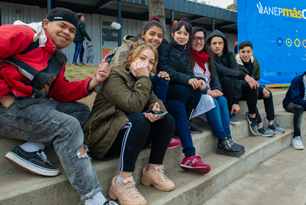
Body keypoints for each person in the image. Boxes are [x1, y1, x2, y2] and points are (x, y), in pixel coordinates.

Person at [0, 7, 116, 205]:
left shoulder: (56, 57)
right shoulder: (25, 34)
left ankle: (30, 148)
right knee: (68, 126)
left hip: (30, 105)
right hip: (7, 109)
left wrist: (93, 82)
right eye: (62, 26)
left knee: (80, 111)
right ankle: (94, 198)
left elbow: (58, 91)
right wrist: (4, 96)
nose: (67, 33)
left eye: (72, 30)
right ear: (46, 24)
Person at [107, 17, 210, 174]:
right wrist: (155, 75)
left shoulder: (170, 51)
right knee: (165, 82)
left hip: (153, 98)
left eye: (159, 36)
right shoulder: (135, 49)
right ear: (143, 34)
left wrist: (198, 81)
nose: (156, 38)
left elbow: (168, 71)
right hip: (134, 99)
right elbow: (124, 74)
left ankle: (190, 155)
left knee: (179, 104)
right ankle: (159, 126)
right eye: (152, 34)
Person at [83, 41, 175, 205]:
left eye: (151, 62)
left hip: (122, 135)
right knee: (139, 120)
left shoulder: (141, 79)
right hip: (100, 139)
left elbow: (158, 103)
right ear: (131, 57)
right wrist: (145, 78)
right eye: (142, 58)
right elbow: (133, 106)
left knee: (167, 120)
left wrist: (156, 112)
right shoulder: (115, 76)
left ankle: (152, 171)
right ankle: (121, 182)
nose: (146, 64)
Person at [188, 27, 244, 157]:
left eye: (201, 39)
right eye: (195, 39)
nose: (198, 42)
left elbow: (215, 76)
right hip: (196, 94)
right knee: (211, 100)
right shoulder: (188, 56)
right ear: (190, 40)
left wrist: (217, 89)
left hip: (208, 91)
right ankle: (221, 140)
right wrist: (208, 91)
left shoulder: (208, 57)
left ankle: (228, 137)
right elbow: (190, 79)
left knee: (222, 99)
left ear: (204, 41)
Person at [206, 30, 260, 135]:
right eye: (214, 43)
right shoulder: (209, 56)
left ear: (224, 44)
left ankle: (252, 116)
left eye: (220, 43)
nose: (217, 46)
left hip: (231, 84)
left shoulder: (230, 55)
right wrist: (244, 76)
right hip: (217, 84)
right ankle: (229, 112)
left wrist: (236, 101)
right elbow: (222, 70)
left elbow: (235, 75)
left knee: (253, 85)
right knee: (227, 79)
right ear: (209, 44)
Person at [158, 18, 204, 134]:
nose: (182, 36)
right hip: (166, 85)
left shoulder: (185, 53)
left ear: (189, 37)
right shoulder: (165, 47)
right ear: (172, 34)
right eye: (179, 33)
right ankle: (174, 124)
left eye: (186, 34)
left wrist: (199, 80)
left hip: (178, 84)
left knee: (196, 90)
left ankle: (186, 120)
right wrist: (188, 79)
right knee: (183, 90)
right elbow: (165, 68)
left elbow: (189, 73)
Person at [236, 41, 285, 136]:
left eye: (248, 51)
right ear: (239, 52)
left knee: (268, 93)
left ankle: (271, 122)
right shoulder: (234, 62)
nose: (245, 55)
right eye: (243, 52)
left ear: (252, 52)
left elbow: (257, 80)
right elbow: (236, 82)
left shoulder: (255, 62)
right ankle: (259, 125)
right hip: (239, 90)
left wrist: (262, 89)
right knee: (253, 91)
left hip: (251, 88)